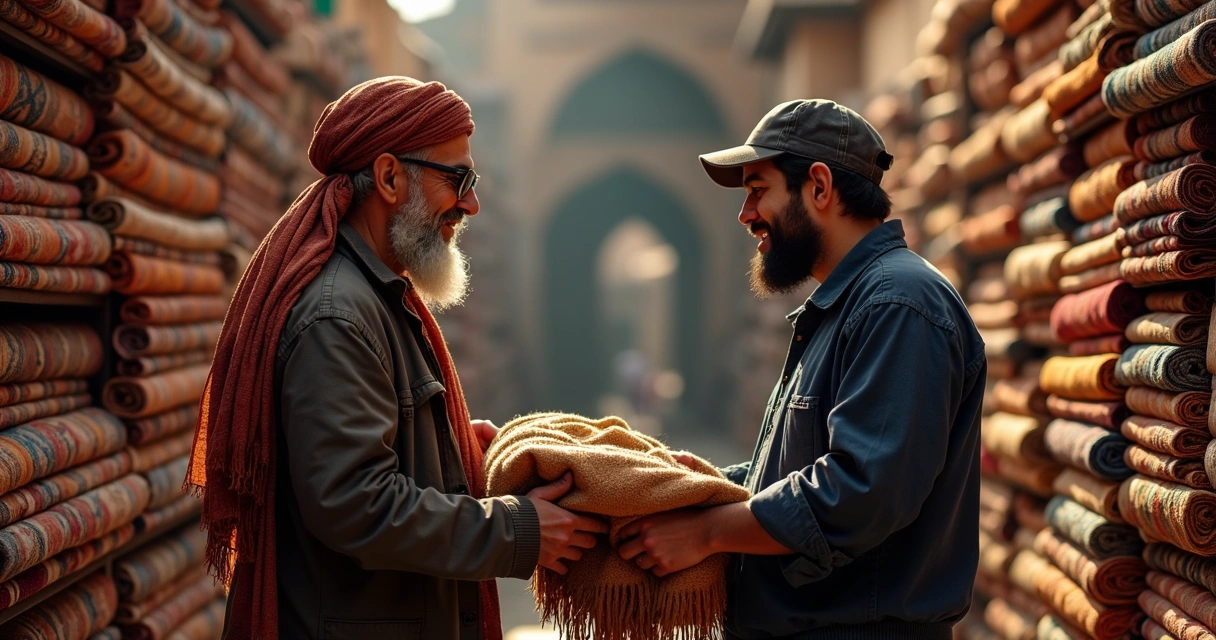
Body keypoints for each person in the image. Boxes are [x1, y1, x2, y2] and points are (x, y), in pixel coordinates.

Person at [187, 77, 606, 640]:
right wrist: (515, 531)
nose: (472, 203)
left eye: (474, 181)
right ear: (388, 177)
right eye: (458, 179)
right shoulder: (339, 315)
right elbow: (352, 502)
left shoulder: (375, 295)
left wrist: (451, 452)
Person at [617, 99, 986, 639]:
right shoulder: (849, 305)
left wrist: (707, 533)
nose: (746, 215)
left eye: (757, 190)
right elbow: (802, 469)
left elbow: (864, 490)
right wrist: (698, 488)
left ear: (818, 186)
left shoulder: (897, 304)